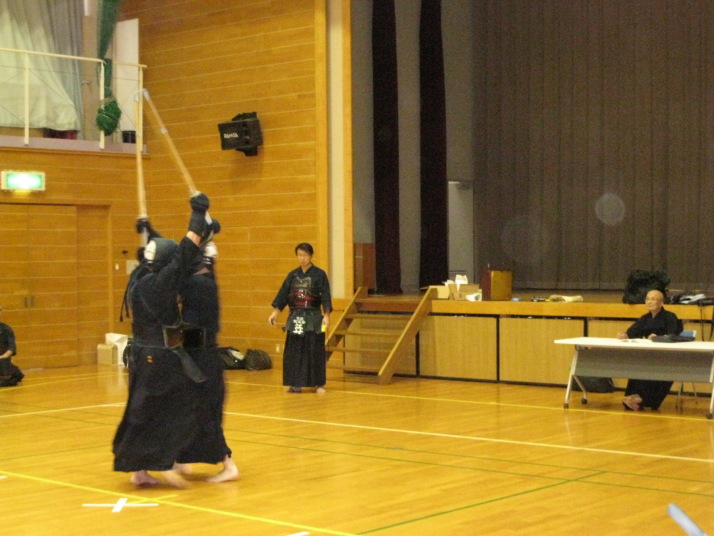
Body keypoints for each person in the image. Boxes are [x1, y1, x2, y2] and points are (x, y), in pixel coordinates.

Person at [112, 193, 218, 488]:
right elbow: (185, 250)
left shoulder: (140, 278)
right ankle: (165, 462)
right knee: (178, 407)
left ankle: (139, 469)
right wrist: (198, 214)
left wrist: (149, 230)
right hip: (159, 357)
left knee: (142, 410)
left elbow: (167, 252)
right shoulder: (160, 284)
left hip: (142, 356)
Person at [174, 241, 239, 482]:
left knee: (205, 414)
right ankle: (182, 459)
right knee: (189, 412)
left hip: (203, 362)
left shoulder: (198, 284)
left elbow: (174, 274)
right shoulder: (207, 280)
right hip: (203, 357)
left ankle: (228, 464)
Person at [268, 243, 332, 394]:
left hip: (314, 318)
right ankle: (295, 384)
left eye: (305, 255)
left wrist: (326, 315)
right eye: (299, 255)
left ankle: (318, 384)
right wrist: (275, 313)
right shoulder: (292, 275)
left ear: (311, 256)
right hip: (296, 317)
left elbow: (326, 296)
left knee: (315, 350)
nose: (302, 258)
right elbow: (283, 295)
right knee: (294, 351)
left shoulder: (319, 274)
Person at [616, 288, 683, 411]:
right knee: (639, 366)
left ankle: (644, 399)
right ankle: (634, 397)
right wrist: (624, 335)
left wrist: (658, 338)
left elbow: (673, 335)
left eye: (653, 299)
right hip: (648, 354)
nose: (649, 302)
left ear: (661, 303)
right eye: (647, 299)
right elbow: (633, 332)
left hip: (667, 357)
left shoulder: (670, 317)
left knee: (657, 369)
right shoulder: (645, 318)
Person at [0, 305, 24, 386]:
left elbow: (11, 348)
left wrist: (3, 357)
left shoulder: (6, 329)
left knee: (15, 375)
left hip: (2, 361)